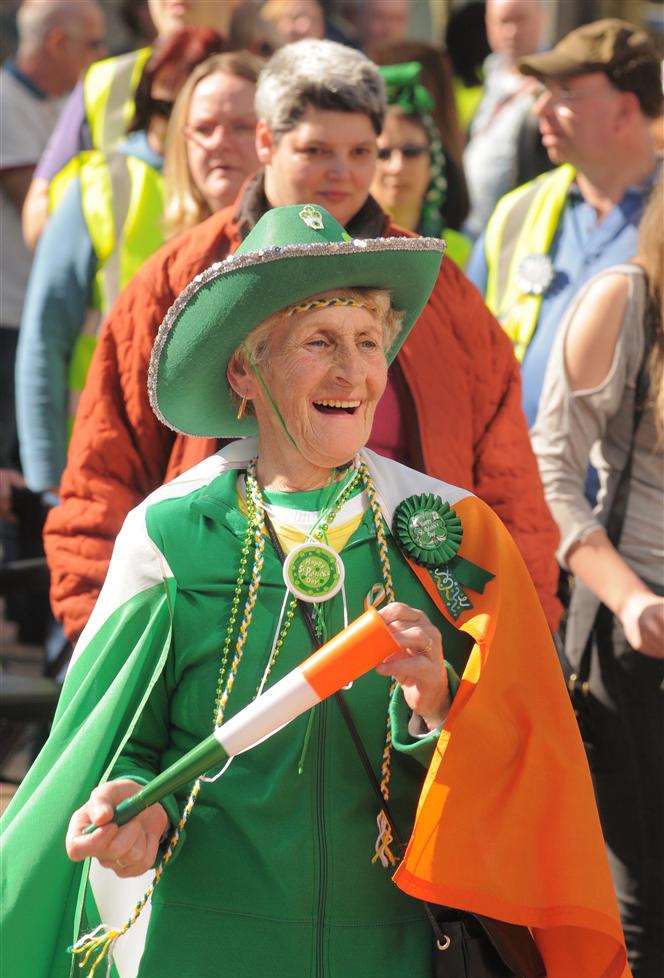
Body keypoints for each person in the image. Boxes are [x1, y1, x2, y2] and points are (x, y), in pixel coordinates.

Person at [2, 205, 628, 978]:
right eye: (318, 342)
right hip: (206, 944)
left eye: (369, 343)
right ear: (244, 371)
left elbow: (530, 776)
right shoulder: (168, 534)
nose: (353, 372)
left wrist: (439, 705)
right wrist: (132, 800)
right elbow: (118, 740)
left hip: (392, 947)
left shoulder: (454, 533)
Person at [44, 38, 561, 647]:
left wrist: (520, 632)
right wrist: (102, 637)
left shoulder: (443, 295)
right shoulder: (178, 280)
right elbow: (105, 470)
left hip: (408, 631)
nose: (340, 171)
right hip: (220, 633)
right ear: (266, 144)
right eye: (316, 149)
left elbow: (507, 480)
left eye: (360, 151)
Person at [531, 177, 664, 978]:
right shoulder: (626, 302)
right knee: (641, 900)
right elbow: (549, 473)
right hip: (631, 637)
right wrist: (630, 596)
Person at [15, 30, 232, 498]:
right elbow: (44, 335)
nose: (171, 126)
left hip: (209, 463)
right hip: (104, 453)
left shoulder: (255, 194)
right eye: (162, 107)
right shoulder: (102, 186)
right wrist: (45, 480)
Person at [467, 18, 662, 427]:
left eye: (565, 93)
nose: (540, 108)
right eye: (543, 92)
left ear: (625, 109)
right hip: (513, 477)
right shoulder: (518, 210)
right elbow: (463, 348)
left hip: (639, 485)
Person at [0, 0, 105, 642]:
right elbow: (35, 210)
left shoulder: (60, 105)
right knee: (18, 488)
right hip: (9, 318)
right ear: (57, 40)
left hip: (22, 313)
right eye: (89, 45)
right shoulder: (8, 102)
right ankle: (28, 618)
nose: (96, 60)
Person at [20, 0, 240, 249]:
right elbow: (38, 221)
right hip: (131, 284)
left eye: (240, 126)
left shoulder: (271, 79)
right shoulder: (106, 81)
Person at [462, 0, 549, 241]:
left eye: (520, 19)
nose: (511, 31)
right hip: (473, 230)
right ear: (489, 25)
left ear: (543, 19)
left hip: (520, 233)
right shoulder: (488, 76)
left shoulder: (555, 85)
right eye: (503, 21)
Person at [370, 62, 472, 267]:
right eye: (383, 153)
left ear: (432, 161)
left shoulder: (460, 252)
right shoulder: (340, 247)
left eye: (411, 152)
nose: (397, 166)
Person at [163, 50, 261, 239]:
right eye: (204, 129)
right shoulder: (170, 259)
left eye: (241, 127)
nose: (219, 142)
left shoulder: (305, 241)